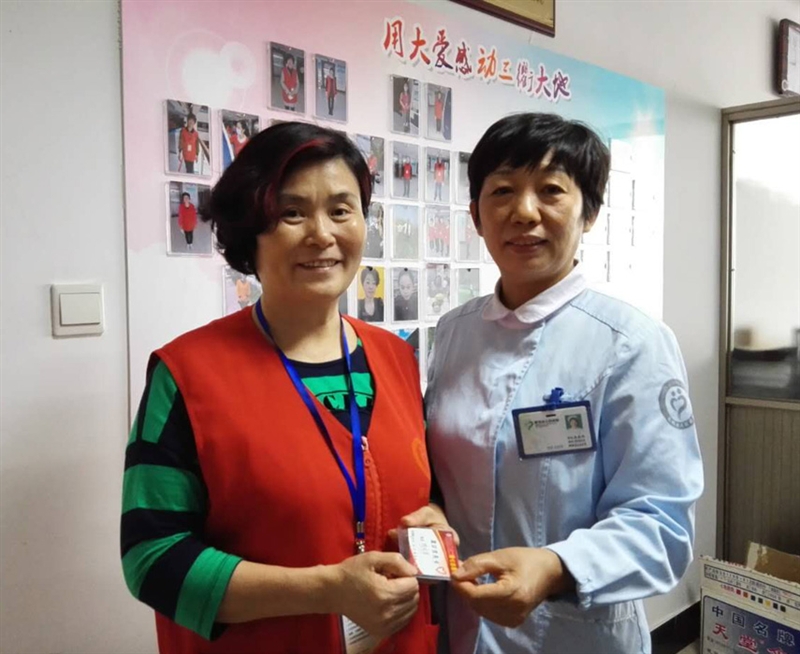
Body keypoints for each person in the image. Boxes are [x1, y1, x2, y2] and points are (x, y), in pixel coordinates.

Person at [122, 123, 442, 653]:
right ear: (250, 231)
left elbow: (414, 487)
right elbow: (151, 558)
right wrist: (326, 590)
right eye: (292, 213)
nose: (322, 234)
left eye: (341, 210)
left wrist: (433, 517)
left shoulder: (396, 358)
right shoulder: (187, 374)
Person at [413, 113, 704, 653]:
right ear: (476, 215)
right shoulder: (454, 332)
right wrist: (431, 509)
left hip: (573, 635)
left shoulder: (631, 343)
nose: (524, 212)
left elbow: (663, 526)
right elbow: (441, 471)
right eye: (502, 191)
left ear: (588, 212)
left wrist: (555, 566)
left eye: (550, 190)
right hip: (461, 630)